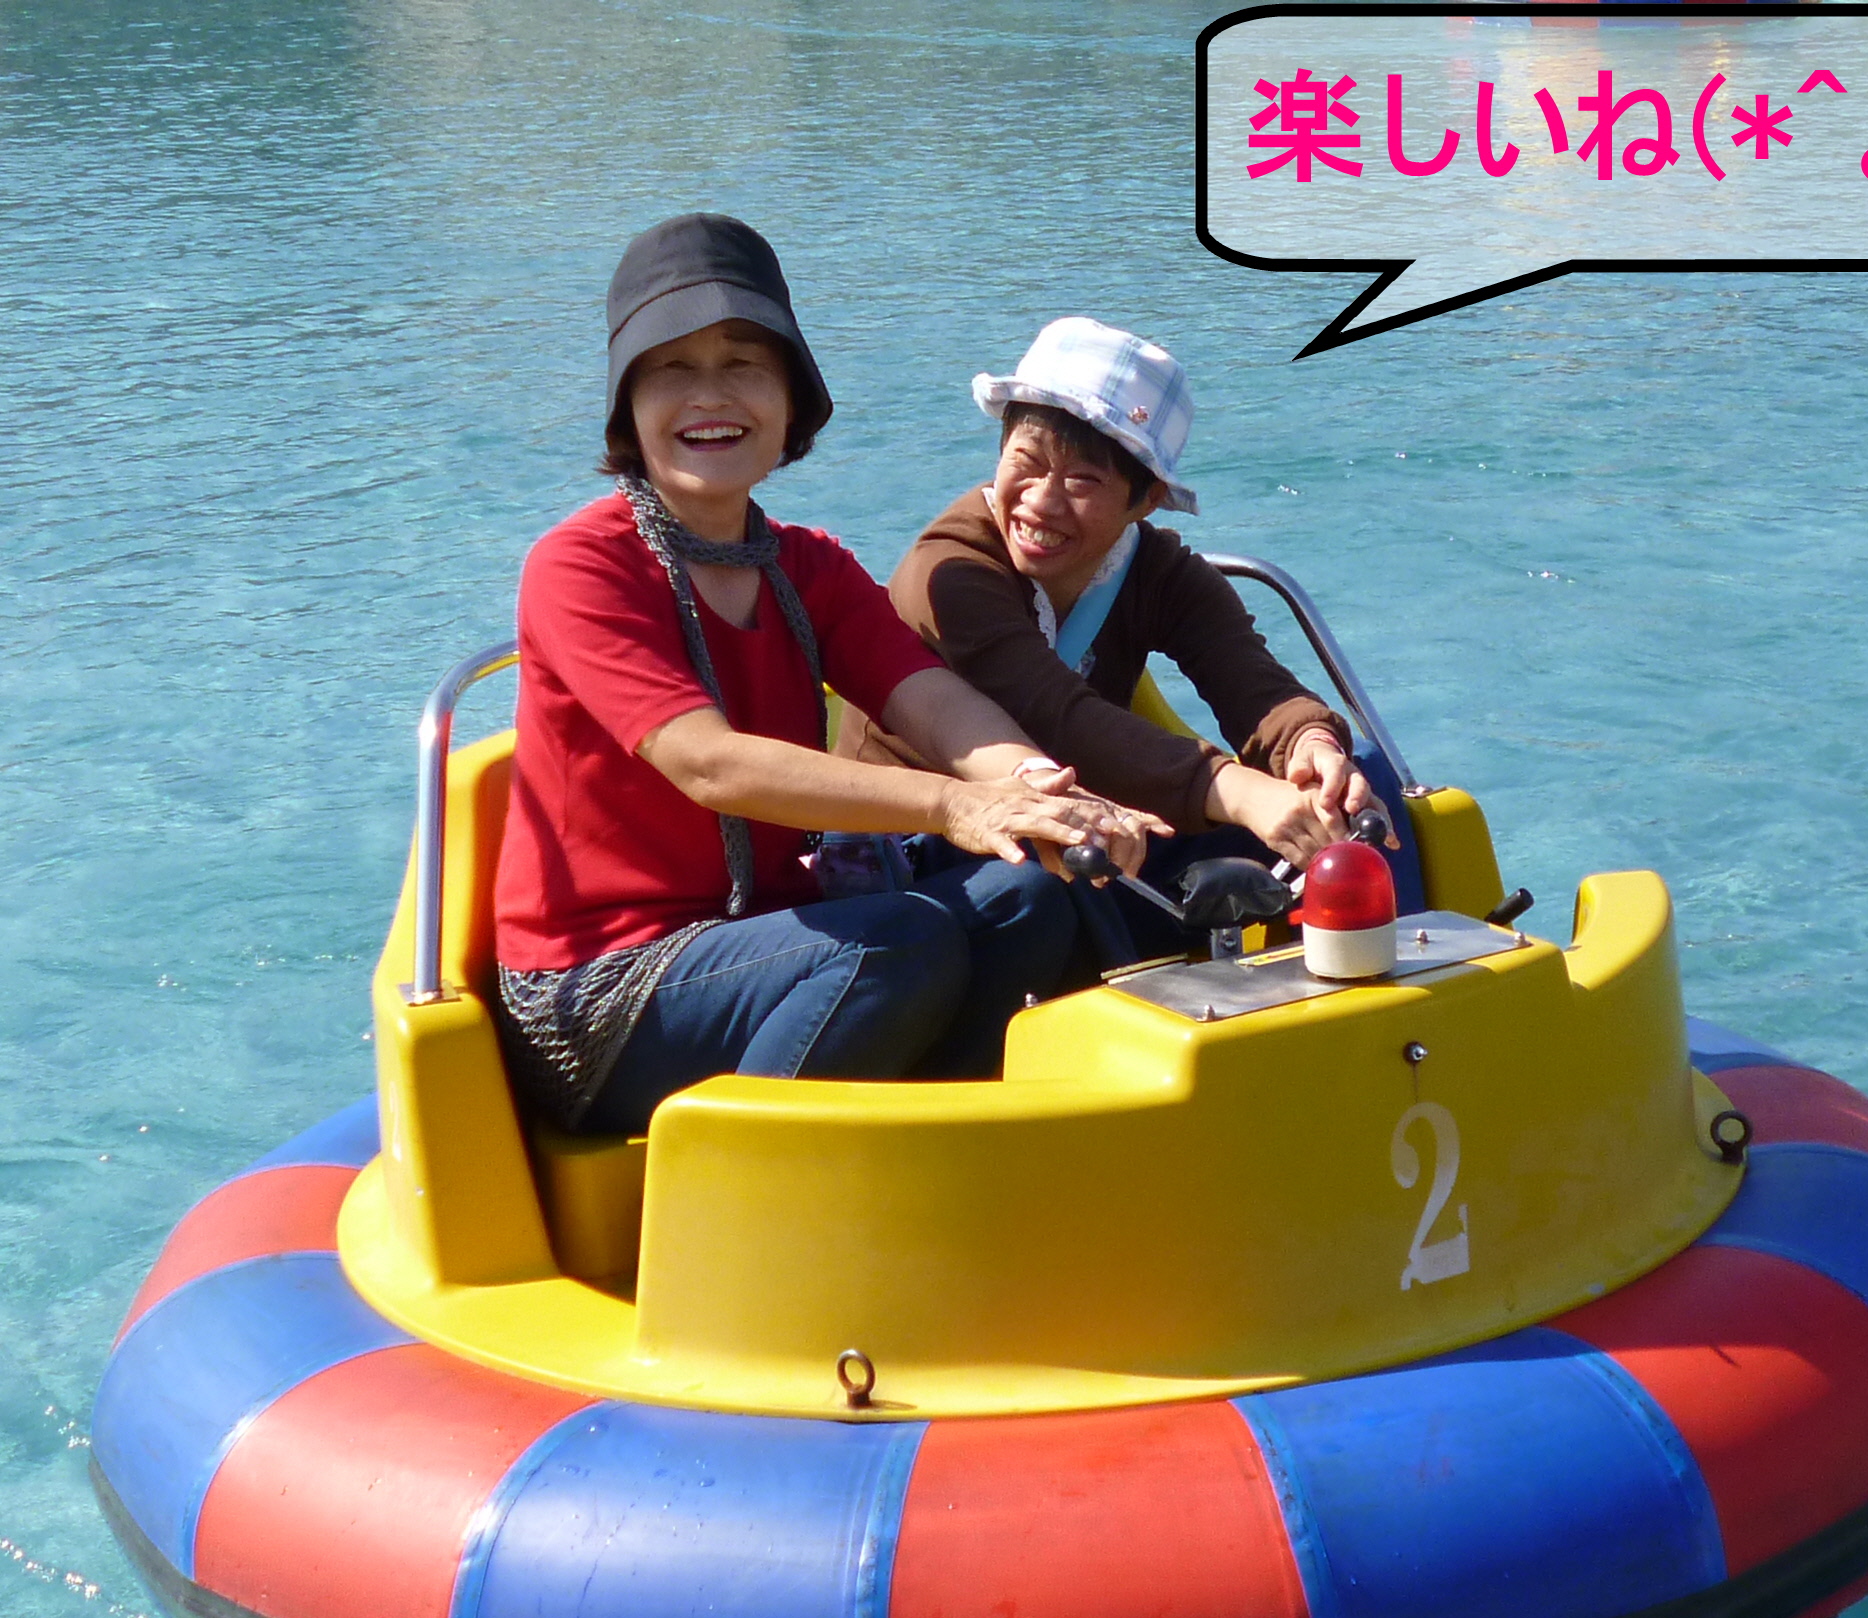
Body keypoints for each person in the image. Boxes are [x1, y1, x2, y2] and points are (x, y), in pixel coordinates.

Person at [492, 216, 1155, 1136]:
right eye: (673, 368)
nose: (711, 395)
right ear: (627, 403)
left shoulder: (811, 567)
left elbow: (932, 700)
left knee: (1032, 894)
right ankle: (749, 1203)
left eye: (744, 365)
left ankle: (941, 1158)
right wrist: (957, 807)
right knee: (890, 946)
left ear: (791, 397)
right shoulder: (580, 566)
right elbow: (710, 765)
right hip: (601, 986)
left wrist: (1041, 791)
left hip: (763, 938)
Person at [885, 318, 1380, 957]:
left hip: (1094, 815)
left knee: (1353, 801)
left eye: (1083, 481)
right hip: (929, 844)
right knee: (1046, 888)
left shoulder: (1159, 574)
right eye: (1026, 463)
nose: (1041, 502)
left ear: (1145, 500)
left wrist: (1309, 746)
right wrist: (1240, 791)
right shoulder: (949, 573)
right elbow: (1056, 717)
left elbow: (1252, 683)